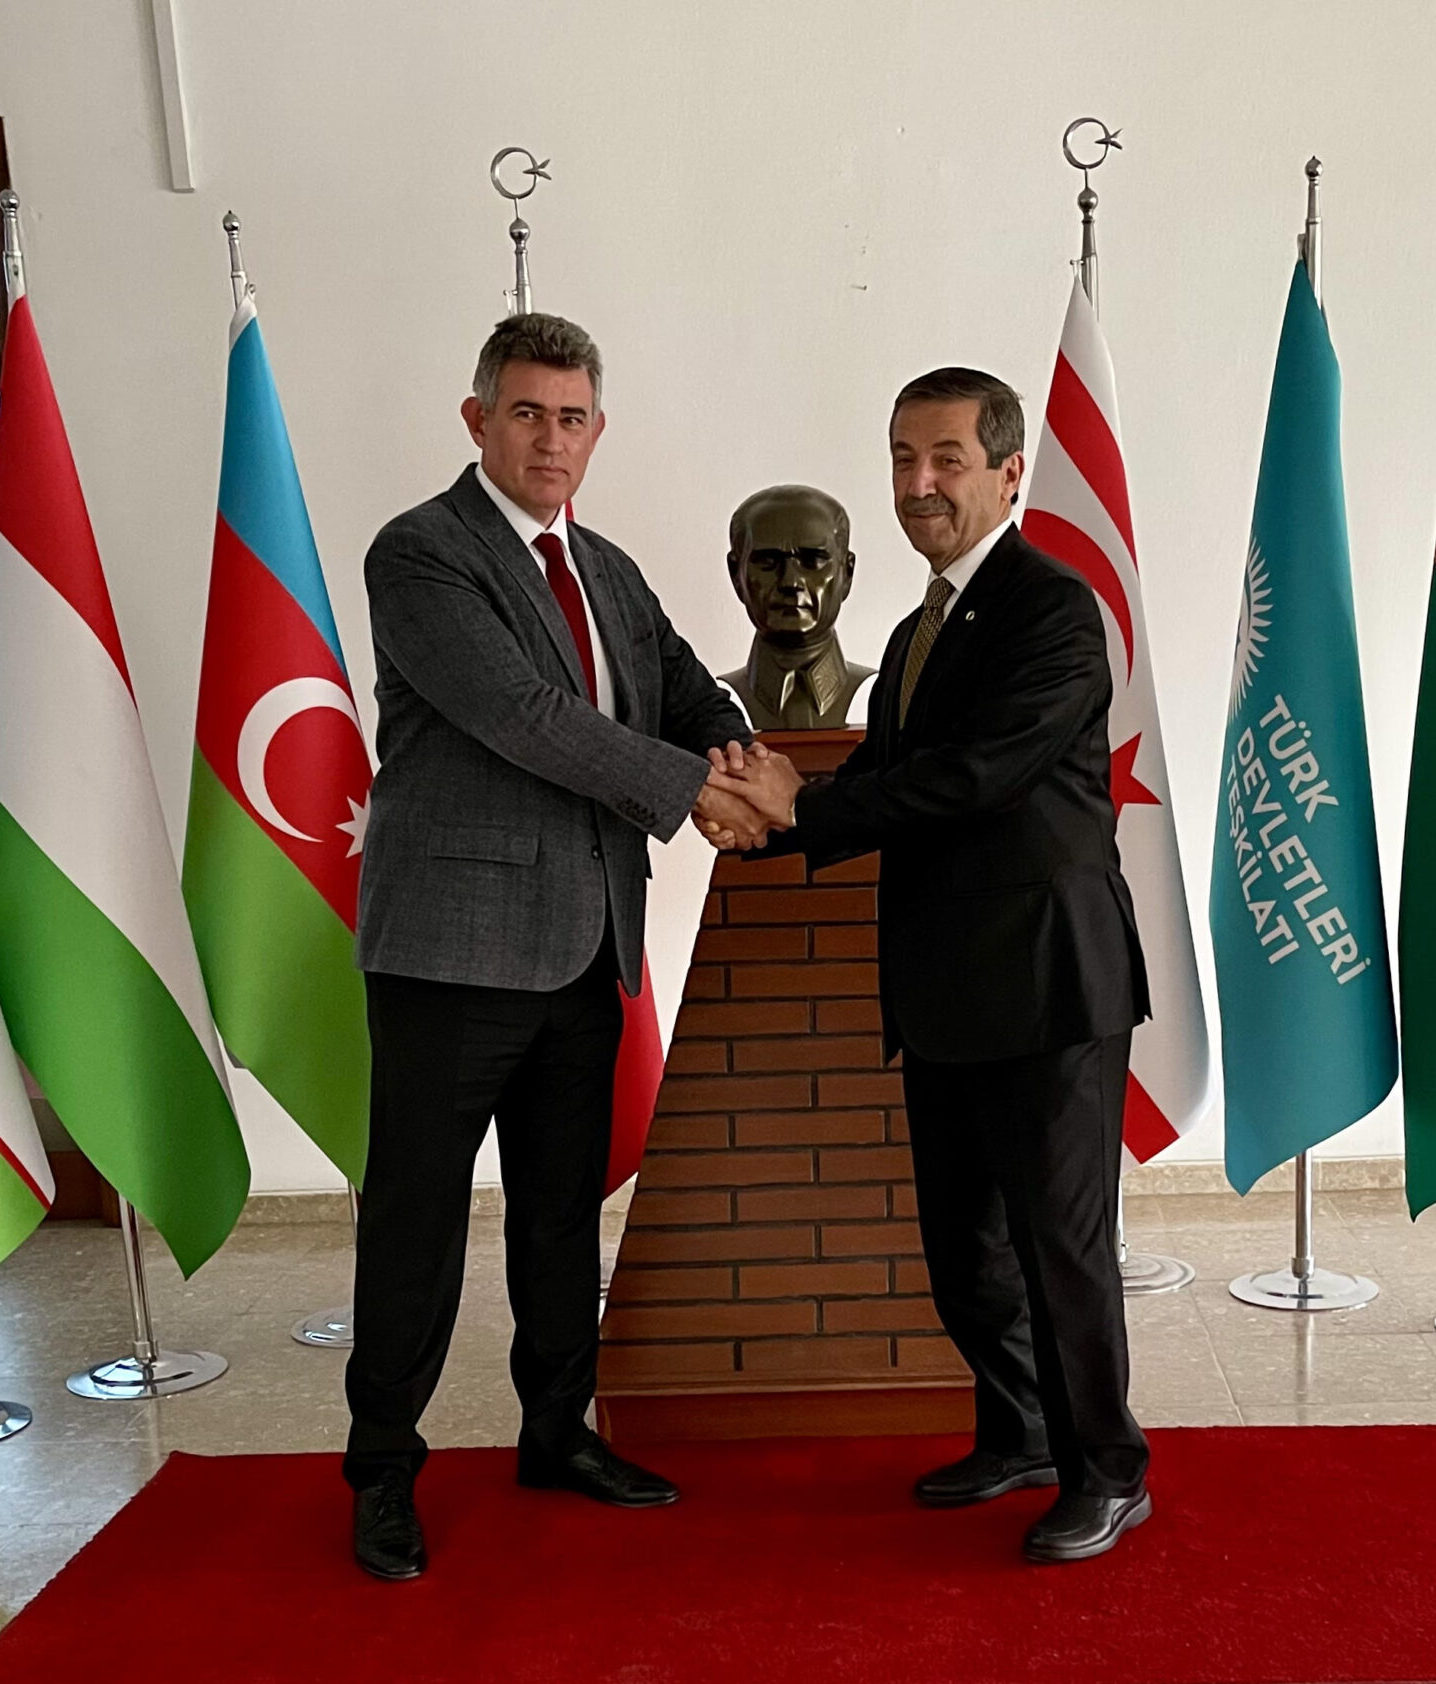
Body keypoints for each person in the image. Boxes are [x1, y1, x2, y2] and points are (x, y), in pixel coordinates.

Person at [702, 367, 1155, 1563]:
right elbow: (875, 780)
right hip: (945, 990)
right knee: (963, 1257)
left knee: (1061, 1252)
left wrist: (797, 811)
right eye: (904, 457)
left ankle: (1107, 1469)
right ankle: (1017, 1432)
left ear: (1008, 473)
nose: (919, 483)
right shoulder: (915, 631)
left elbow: (974, 777)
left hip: (1049, 984)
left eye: (947, 458)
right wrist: (757, 815)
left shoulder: (1053, 609)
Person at [346, 311, 762, 1580]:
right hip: (448, 955)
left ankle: (555, 1431)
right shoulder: (421, 553)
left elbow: (684, 687)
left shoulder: (610, 571)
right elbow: (526, 716)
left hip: (586, 949)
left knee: (558, 1216)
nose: (550, 438)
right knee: (417, 1223)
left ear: (597, 430)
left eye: (572, 417)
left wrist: (743, 754)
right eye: (526, 412)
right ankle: (381, 1468)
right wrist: (697, 793)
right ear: (478, 420)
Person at [719, 484, 873, 730]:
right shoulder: (708, 709)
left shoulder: (889, 699)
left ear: (847, 573)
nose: (790, 582)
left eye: (813, 560)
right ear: (736, 575)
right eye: (768, 561)